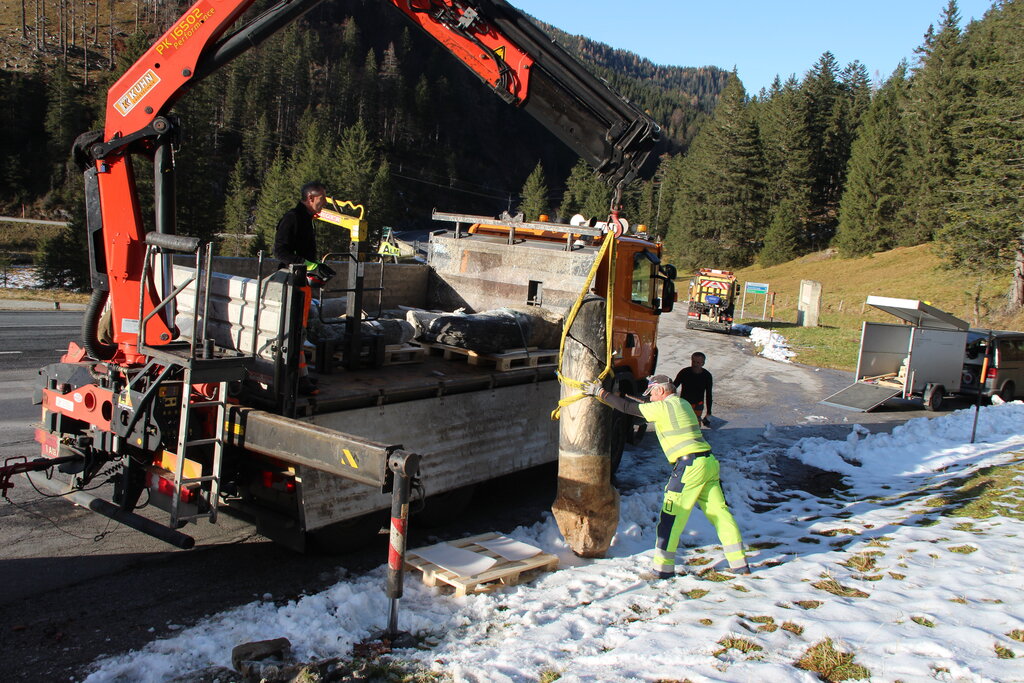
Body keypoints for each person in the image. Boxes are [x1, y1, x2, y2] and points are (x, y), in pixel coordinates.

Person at [583, 374, 749, 579]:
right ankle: (740, 564)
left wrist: (600, 393)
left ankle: (662, 569)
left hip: (689, 467)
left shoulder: (661, 408)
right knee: (720, 513)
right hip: (708, 462)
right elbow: (647, 406)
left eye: (652, 394)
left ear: (660, 391)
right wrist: (638, 400)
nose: (650, 398)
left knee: (670, 518)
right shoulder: (683, 404)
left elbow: (628, 409)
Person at [274, 182, 329, 396]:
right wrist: (308, 264)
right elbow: (280, 251)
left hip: (301, 282)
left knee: (300, 331)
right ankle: (298, 380)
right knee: (294, 332)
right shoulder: (293, 218)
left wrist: (315, 267)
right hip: (292, 282)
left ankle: (301, 376)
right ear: (310, 198)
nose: (324, 202)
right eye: (322, 198)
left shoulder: (306, 219)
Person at [674, 351, 712, 426]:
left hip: (698, 404)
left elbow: (709, 394)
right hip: (684, 404)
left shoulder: (707, 376)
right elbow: (674, 387)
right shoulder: (684, 372)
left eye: (698, 362)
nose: (695, 364)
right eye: (693, 362)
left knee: (696, 425)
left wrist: (708, 412)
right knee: (683, 424)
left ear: (703, 363)